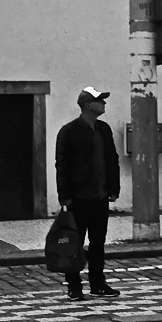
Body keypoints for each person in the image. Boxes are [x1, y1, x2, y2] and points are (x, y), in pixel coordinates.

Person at [55, 86, 121, 300]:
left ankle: (97, 282)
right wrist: (64, 196)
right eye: (99, 100)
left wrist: (113, 188)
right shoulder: (69, 131)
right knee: (74, 243)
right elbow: (62, 165)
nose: (103, 103)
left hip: (100, 196)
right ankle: (74, 284)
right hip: (79, 197)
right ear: (87, 105)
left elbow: (112, 159)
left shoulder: (104, 129)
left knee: (97, 243)